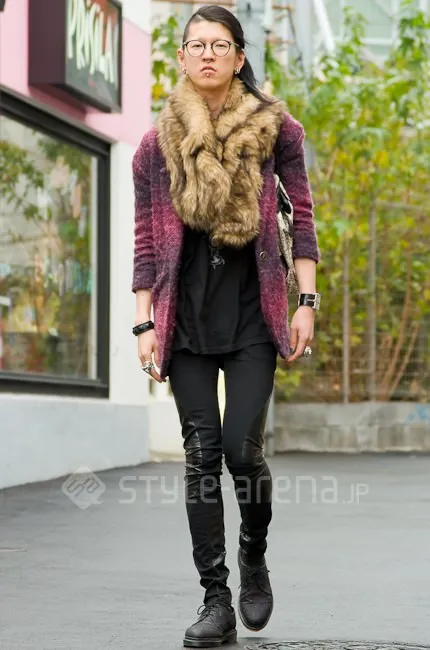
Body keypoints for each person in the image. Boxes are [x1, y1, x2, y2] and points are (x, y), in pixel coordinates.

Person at [131, 5, 320, 647]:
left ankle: (253, 553)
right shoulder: (155, 145)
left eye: (220, 45)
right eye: (196, 45)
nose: (207, 54)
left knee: (242, 449)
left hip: (251, 314)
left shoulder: (277, 130)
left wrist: (305, 300)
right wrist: (142, 323)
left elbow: (302, 218)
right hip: (183, 317)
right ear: (182, 57)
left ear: (239, 57)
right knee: (201, 456)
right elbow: (145, 241)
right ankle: (215, 599)